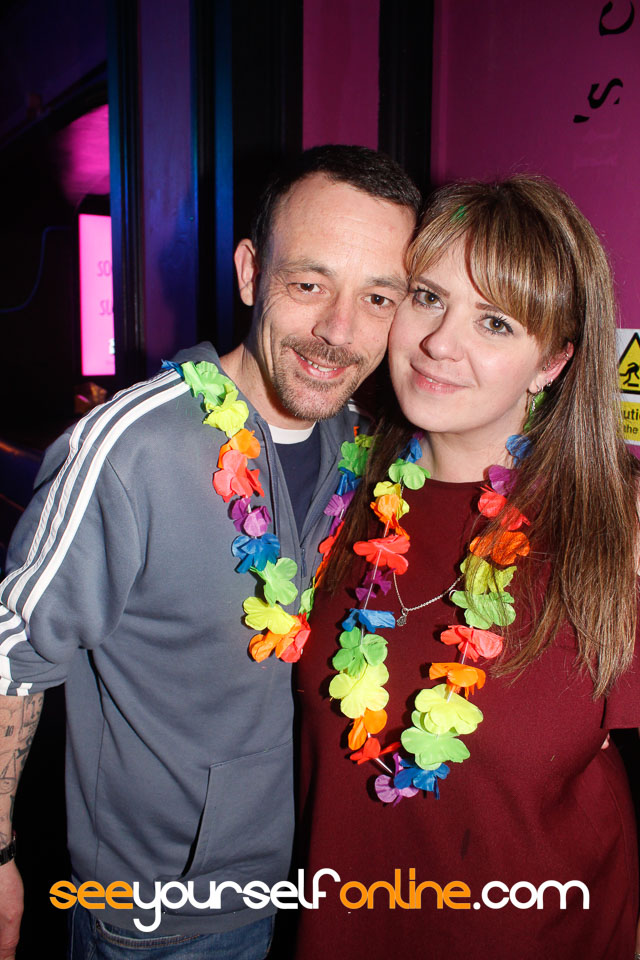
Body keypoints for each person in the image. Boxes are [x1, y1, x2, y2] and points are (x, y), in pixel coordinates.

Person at [0, 144, 419, 959]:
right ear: (250, 273)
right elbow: (11, 653)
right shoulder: (131, 448)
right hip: (160, 919)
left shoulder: (367, 449)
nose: (339, 332)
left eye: (378, 298)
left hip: (316, 887)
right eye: (310, 284)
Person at [292, 175, 640, 960]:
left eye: (494, 321)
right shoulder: (333, 487)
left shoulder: (618, 525)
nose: (440, 344)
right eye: (427, 298)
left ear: (553, 361)